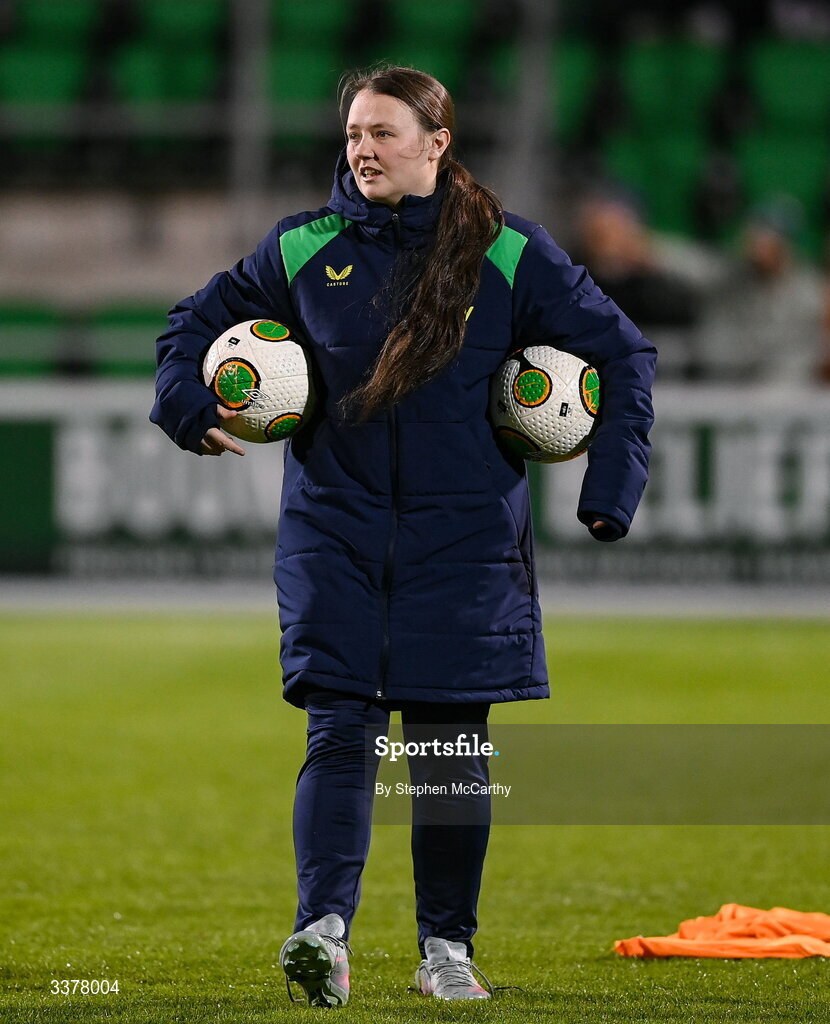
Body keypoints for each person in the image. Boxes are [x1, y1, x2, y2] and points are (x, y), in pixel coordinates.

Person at [150, 65, 656, 1007]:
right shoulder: (303, 247)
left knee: (448, 748)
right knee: (339, 728)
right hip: (331, 532)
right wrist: (185, 404)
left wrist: (612, 483)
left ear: (437, 142)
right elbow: (190, 326)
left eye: (383, 132)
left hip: (465, 546)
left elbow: (624, 350)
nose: (362, 150)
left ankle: (446, 951)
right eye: (351, 134)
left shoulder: (508, 253)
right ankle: (323, 933)